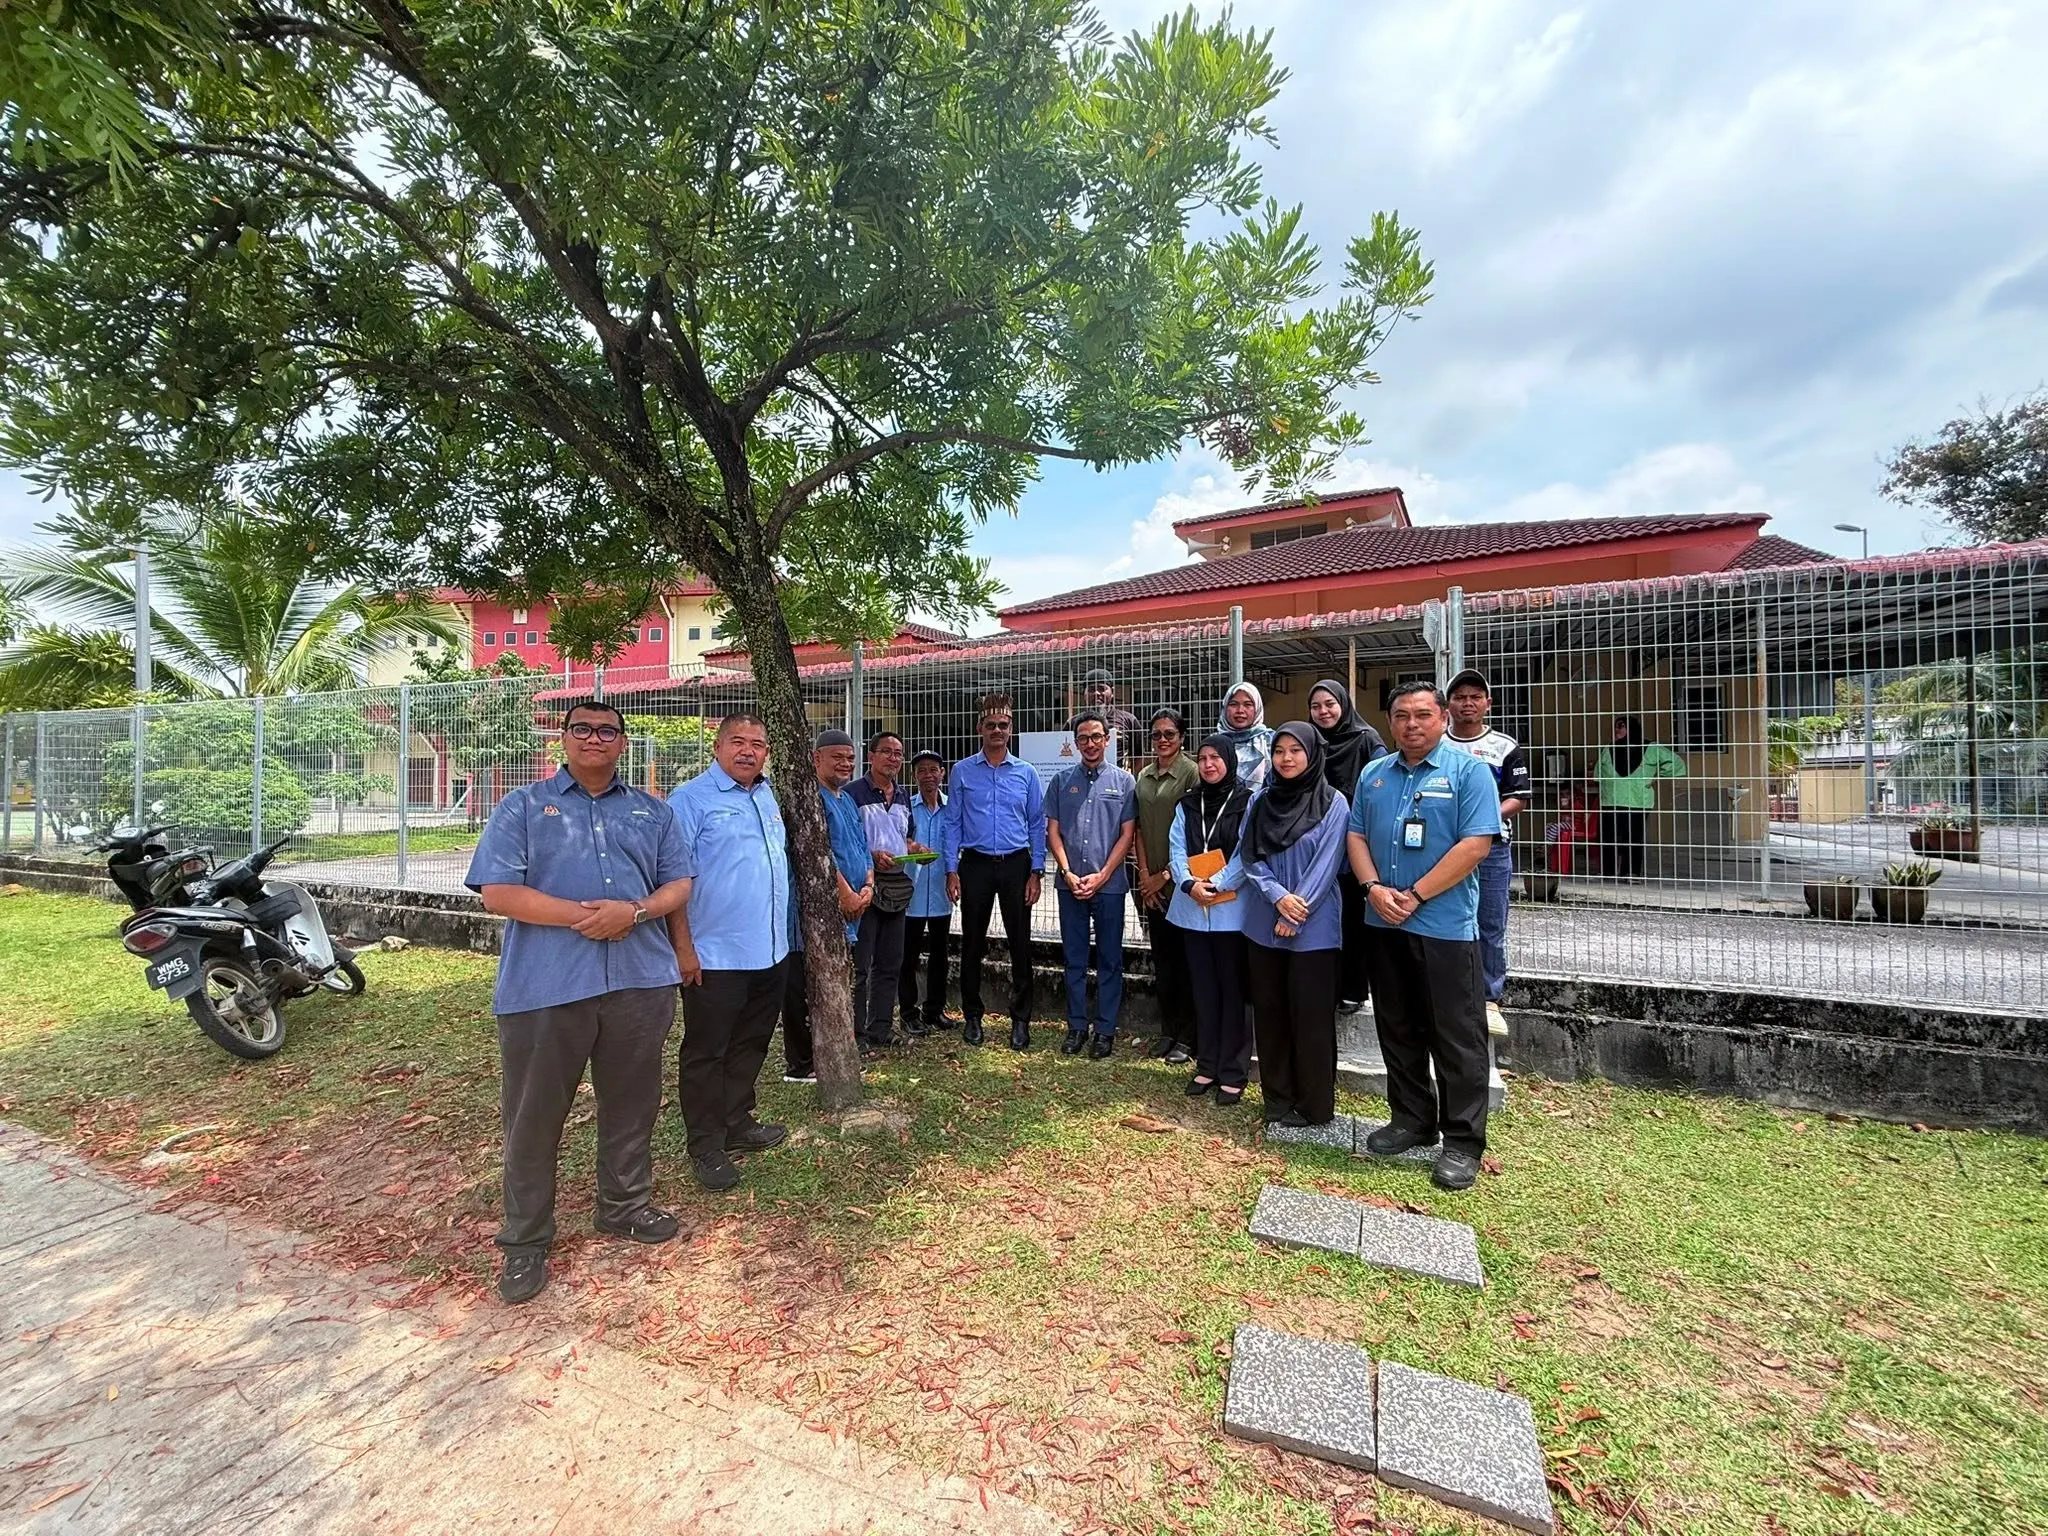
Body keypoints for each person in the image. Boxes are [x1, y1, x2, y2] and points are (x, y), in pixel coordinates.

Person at [466, 699, 693, 1304]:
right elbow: (498, 892)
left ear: (623, 742)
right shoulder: (522, 807)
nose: (595, 738)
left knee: (632, 1104)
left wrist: (635, 912)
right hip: (548, 985)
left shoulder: (653, 812)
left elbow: (679, 883)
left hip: (639, 982)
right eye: (582, 729)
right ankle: (525, 1239)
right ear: (563, 739)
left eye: (607, 730)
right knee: (534, 1115)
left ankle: (624, 1205)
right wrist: (590, 918)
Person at [1346, 681, 1501, 1192]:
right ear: (1390, 722)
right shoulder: (1373, 774)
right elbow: (1356, 835)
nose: (1411, 724)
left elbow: (1475, 845)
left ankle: (1462, 1142)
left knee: (1455, 1035)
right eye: (1401, 716)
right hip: (1383, 922)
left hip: (1444, 927)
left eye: (1422, 715)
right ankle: (1412, 1119)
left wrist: (1414, 895)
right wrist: (1372, 888)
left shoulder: (1469, 772)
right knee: (1397, 1027)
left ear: (1442, 718)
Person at [667, 713, 795, 1192]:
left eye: (757, 744)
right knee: (706, 1052)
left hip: (770, 950)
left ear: (767, 753)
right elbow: (674, 879)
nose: (747, 751)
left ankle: (737, 1121)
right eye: (737, 742)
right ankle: (705, 1145)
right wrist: (683, 948)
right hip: (714, 956)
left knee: (751, 1042)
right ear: (717, 747)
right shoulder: (690, 800)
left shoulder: (767, 796)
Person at [1238, 722, 1352, 1127]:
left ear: (1313, 754)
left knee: (1311, 1018)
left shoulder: (1334, 803)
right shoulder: (1260, 800)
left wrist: (1295, 910)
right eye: (1279, 750)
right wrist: (1277, 897)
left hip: (1314, 927)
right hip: (1263, 922)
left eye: (1295, 750)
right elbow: (1249, 856)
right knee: (1270, 1014)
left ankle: (1314, 1105)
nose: (1286, 758)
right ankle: (1277, 1098)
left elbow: (1327, 863)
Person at [943, 692, 1047, 1050]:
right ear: (980, 729)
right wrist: (951, 869)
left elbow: (1037, 823)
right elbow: (953, 822)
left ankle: (1020, 1020)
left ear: (1011, 729)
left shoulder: (1026, 773)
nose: (997, 731)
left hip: (1016, 864)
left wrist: (1036, 871)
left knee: (1020, 943)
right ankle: (973, 1016)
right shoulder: (962, 771)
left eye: (1003, 725)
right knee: (972, 942)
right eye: (991, 725)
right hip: (975, 864)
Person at [1168, 734, 1254, 1105]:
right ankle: (1207, 1064)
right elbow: (1175, 848)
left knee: (1234, 993)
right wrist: (1189, 883)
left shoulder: (1247, 801)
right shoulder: (1188, 802)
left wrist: (1217, 884)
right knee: (1203, 991)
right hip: (1193, 909)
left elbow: (1246, 853)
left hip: (1231, 912)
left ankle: (1233, 1071)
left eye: (1216, 758)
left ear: (1229, 761)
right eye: (1202, 758)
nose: (1208, 765)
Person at [1046, 708, 1138, 1058]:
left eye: (1096, 737)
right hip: (1070, 886)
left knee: (1110, 960)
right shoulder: (1060, 782)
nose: (1090, 743)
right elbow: (1053, 831)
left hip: (1109, 886)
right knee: (1074, 958)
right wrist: (1067, 873)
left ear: (1107, 740)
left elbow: (1127, 835)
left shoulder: (1125, 782)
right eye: (1083, 738)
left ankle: (1105, 1030)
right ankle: (1076, 1027)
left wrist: (1102, 876)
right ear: (1074, 743)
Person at [1446, 669, 1531, 1036]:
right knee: (1446, 919)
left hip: (1492, 849)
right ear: (1448, 705)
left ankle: (1489, 998)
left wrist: (1482, 817)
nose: (1467, 703)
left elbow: (1519, 797)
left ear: (1488, 704)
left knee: (1490, 922)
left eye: (1475, 697)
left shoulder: (1504, 746)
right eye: (1460, 697)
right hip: (1444, 848)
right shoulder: (1438, 744)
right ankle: (1449, 991)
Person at [1306, 679, 1387, 1015]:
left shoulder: (1367, 739)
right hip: (1315, 842)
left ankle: (1353, 989)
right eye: (1316, 706)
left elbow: (1382, 786)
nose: (1323, 712)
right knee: (1320, 916)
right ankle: (1325, 986)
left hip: (1354, 841)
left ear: (1343, 704)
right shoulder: (1309, 741)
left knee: (1352, 917)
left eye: (1330, 704)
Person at [1132, 707, 1200, 1061]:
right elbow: (1139, 829)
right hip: (1152, 887)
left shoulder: (1192, 773)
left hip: (1181, 884)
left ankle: (1188, 1037)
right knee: (1163, 962)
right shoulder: (1143, 776)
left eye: (1169, 734)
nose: (1162, 740)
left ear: (1182, 737)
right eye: (1156, 734)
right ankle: (1168, 1031)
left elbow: (1195, 834)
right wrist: (1145, 876)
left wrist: (1166, 876)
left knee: (1186, 964)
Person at [847, 730, 918, 1049]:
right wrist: (871, 856)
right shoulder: (852, 794)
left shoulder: (903, 796)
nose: (893, 758)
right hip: (864, 886)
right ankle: (855, 1033)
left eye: (898, 753)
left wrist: (914, 848)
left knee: (890, 962)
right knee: (860, 965)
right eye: (887, 751)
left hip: (896, 887)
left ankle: (881, 1028)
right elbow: (847, 841)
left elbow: (904, 836)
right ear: (871, 756)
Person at [898, 750, 955, 1035]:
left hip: (942, 894)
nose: (928, 775)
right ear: (914, 776)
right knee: (907, 957)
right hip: (912, 894)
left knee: (940, 956)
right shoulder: (906, 809)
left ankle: (935, 1009)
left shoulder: (953, 808)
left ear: (942, 774)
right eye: (922, 771)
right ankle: (908, 1012)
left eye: (934, 769)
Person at [1594, 716, 1687, 880]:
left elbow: (1677, 764)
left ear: (1631, 728)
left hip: (1631, 800)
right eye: (1616, 726)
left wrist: (1656, 775)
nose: (1617, 730)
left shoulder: (1651, 748)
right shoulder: (1609, 748)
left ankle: (1630, 873)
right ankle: (1611, 873)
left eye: (1621, 726)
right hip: (1617, 799)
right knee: (1610, 838)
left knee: (1631, 838)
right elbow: (1598, 774)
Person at [1214, 681, 1275, 791]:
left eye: (1248, 704)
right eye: (1233, 704)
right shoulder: (1214, 743)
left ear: (1257, 708)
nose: (1240, 711)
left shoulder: (1271, 741)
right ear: (1225, 707)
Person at [1081, 668, 1143, 757]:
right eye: (1091, 689)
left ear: (1112, 692)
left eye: (1102, 689)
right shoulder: (1073, 723)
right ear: (1084, 693)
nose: (1096, 693)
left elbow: (1138, 756)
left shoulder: (1129, 720)